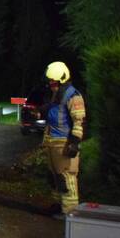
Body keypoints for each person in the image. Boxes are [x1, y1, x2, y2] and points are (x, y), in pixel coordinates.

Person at [43, 61, 86, 216]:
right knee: (55, 177)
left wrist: (74, 143)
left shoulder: (73, 96)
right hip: (53, 143)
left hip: (65, 144)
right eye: (49, 82)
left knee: (67, 178)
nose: (50, 85)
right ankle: (58, 205)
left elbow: (78, 121)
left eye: (53, 82)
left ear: (62, 79)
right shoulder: (57, 94)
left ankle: (70, 212)